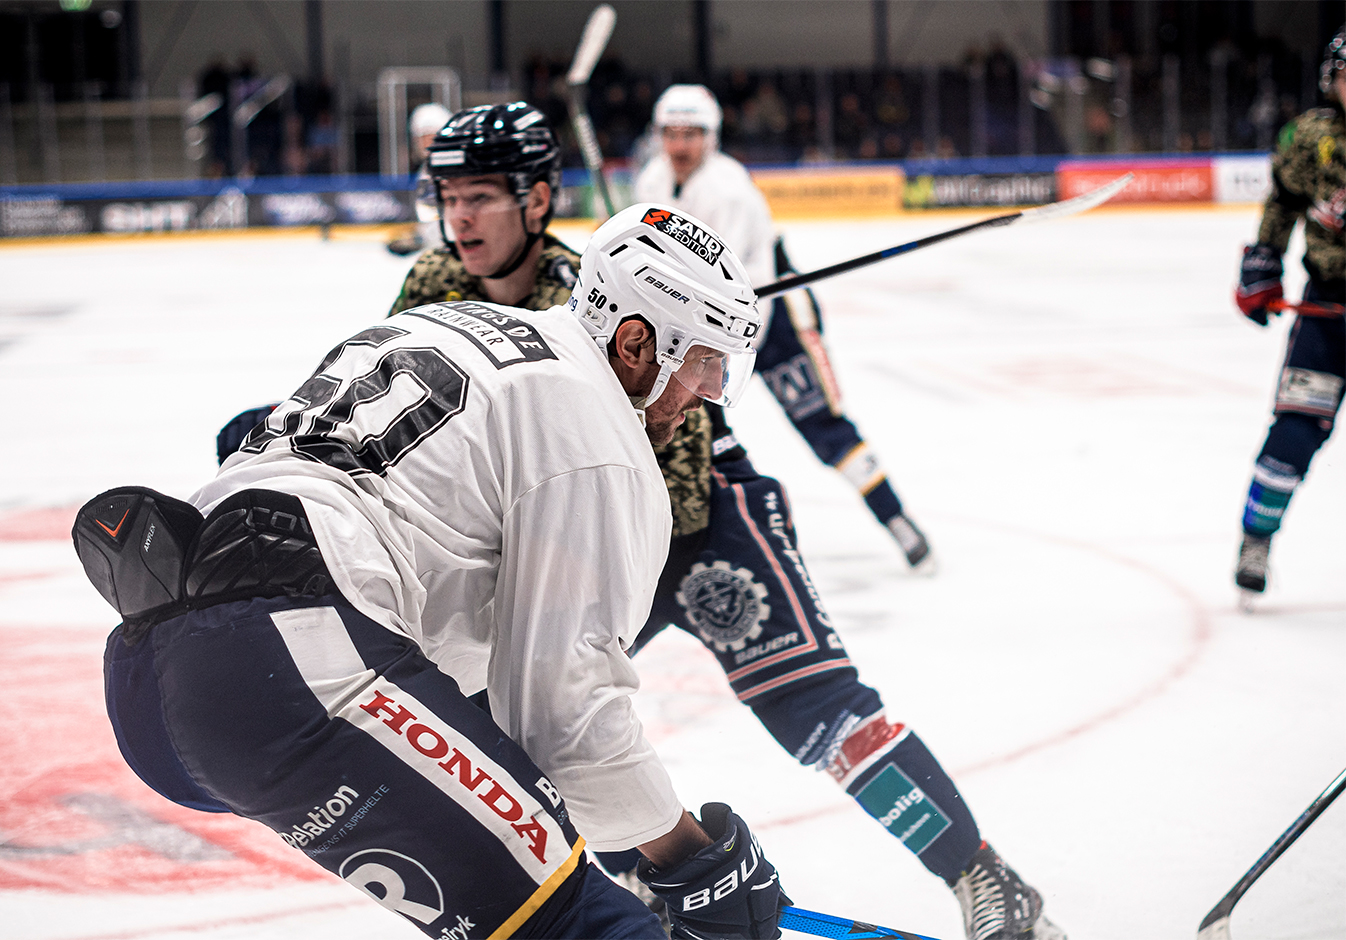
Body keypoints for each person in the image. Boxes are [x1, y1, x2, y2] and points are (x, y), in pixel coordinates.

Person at [363, 101, 1065, 940]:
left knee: (817, 708)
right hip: (568, 541)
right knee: (530, 729)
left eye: (480, 196)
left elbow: (678, 452)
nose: (460, 217)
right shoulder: (429, 287)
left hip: (700, 522)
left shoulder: (587, 293)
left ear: (537, 200)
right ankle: (651, 893)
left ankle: (984, 876)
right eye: (449, 197)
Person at [75, 202, 790, 939]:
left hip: (163, 679)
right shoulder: (596, 431)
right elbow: (565, 712)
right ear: (637, 342)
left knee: (536, 889)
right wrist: (695, 862)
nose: (708, 393)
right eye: (704, 363)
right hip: (294, 662)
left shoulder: (450, 323)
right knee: (573, 919)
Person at [632, 83, 934, 570]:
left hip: (775, 320)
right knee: (686, 425)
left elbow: (719, 281)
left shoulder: (728, 190)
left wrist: (716, 351)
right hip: (705, 324)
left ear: (711, 137)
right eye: (671, 133)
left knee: (820, 423)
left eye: (691, 134)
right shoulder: (653, 180)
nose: (679, 145)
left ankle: (896, 518)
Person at [1231, 26, 1344, 601]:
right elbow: (1282, 203)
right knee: (1295, 433)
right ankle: (1256, 540)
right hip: (1328, 312)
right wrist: (1263, 262)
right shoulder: (1311, 138)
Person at [387, 102, 455, 256]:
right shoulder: (427, 169)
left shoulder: (448, 169)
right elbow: (432, 217)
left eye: (429, 136)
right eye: (422, 137)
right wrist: (419, 239)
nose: (425, 143)